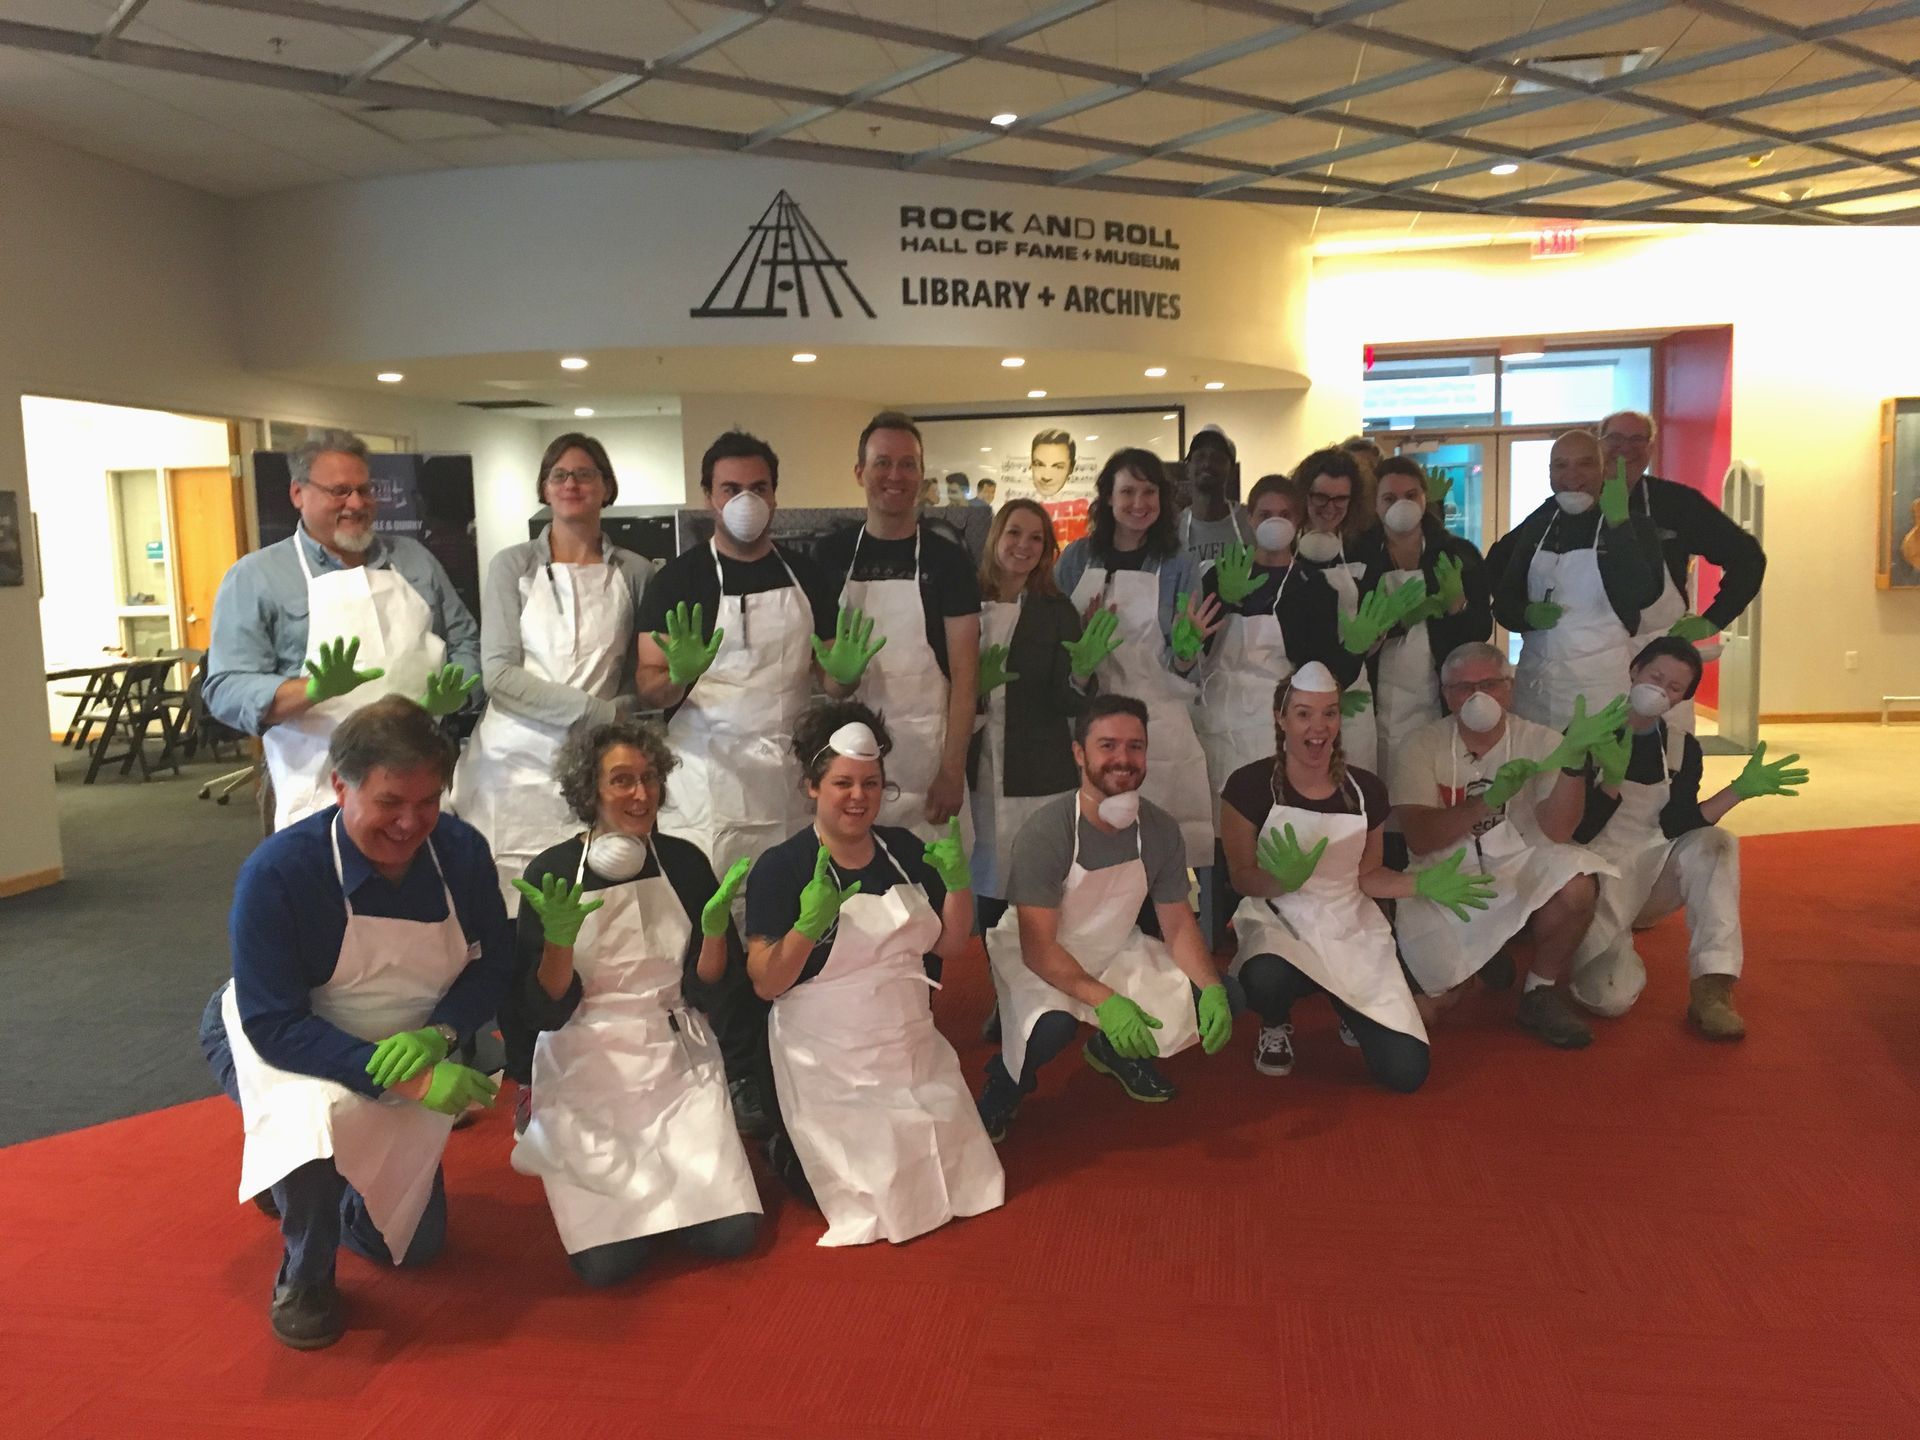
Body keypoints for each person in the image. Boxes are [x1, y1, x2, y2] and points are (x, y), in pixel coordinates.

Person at [195, 697, 511, 1350]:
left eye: (429, 802)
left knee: (416, 1249)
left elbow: (497, 962)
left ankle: (293, 1182)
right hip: (287, 1039)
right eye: (391, 801)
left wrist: (442, 1035)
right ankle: (304, 1274)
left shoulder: (460, 851)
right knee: (313, 1126)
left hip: (410, 1039)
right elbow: (273, 1025)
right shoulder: (280, 873)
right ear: (341, 785)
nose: (410, 822)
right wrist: (416, 1082)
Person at [632, 430, 849, 1139]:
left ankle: (790, 1062)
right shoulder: (678, 581)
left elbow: (830, 677)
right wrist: (681, 672)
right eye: (730, 489)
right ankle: (727, 1069)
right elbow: (649, 690)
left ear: (775, 495)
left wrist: (843, 673)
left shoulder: (809, 574)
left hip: (788, 780)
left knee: (787, 923)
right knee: (713, 930)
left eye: (757, 487)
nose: (745, 501)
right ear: (708, 498)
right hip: (706, 784)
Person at [502, 718, 762, 1287]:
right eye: (622, 781)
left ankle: (663, 1197)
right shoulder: (552, 873)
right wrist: (558, 943)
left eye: (649, 779)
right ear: (588, 790)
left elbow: (711, 992)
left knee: (734, 1237)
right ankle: (639, 1198)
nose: (641, 795)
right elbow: (543, 1013)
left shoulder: (685, 863)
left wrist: (714, 933)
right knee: (606, 1267)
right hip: (585, 1062)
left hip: (674, 1057)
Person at [744, 702, 1004, 1246]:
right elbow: (767, 983)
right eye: (842, 783)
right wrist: (807, 926)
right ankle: (784, 1145)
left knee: (967, 1178)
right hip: (826, 1056)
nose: (858, 796)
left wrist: (958, 887)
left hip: (909, 1042)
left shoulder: (905, 852)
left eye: (870, 783)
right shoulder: (782, 867)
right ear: (812, 787)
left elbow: (952, 945)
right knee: (873, 1195)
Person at [1220, 663, 1495, 1091]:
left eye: (1329, 713)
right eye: (1304, 713)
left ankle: (1349, 1006)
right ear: (1281, 718)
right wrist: (1280, 880)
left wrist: (1419, 885)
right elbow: (1240, 876)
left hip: (1350, 925)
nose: (1319, 727)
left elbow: (1368, 875)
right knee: (1264, 978)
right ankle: (1275, 1023)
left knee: (1407, 1073)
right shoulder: (1248, 786)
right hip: (1281, 920)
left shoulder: (1366, 789)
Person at [975, 695, 1236, 1140]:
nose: (1123, 759)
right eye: (1108, 745)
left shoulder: (1159, 829)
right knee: (1048, 1031)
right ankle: (1006, 1082)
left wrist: (1210, 987)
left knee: (1222, 994)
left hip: (1114, 946)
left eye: (1135, 746)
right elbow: (1038, 947)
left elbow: (1175, 923)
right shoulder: (1047, 831)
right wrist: (1106, 1000)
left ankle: (1114, 1051)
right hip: (1037, 953)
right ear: (1079, 754)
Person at [205, 429, 481, 832]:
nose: (356, 504)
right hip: (316, 792)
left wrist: (459, 691)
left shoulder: (414, 560)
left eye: (365, 490)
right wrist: (311, 691)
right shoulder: (257, 577)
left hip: (419, 786)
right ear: (298, 494)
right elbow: (225, 688)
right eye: (339, 492)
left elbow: (465, 641)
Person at [1568, 637, 1807, 1040]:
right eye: (1654, 676)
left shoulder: (1681, 747)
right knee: (1608, 1001)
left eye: (1674, 688)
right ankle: (1613, 947)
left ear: (1680, 700)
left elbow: (1677, 822)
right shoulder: (1588, 734)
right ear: (1634, 671)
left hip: (1655, 870)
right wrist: (1608, 781)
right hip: (1595, 876)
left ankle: (1712, 986)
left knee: (1718, 842)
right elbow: (1575, 831)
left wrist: (1737, 791)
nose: (1660, 689)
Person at [448, 433, 653, 903]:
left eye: (585, 474)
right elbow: (499, 675)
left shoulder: (636, 572)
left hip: (595, 764)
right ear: (544, 489)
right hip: (512, 765)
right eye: (559, 475)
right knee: (511, 903)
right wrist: (599, 714)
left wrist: (617, 715)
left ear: (607, 487)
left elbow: (635, 677)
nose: (571, 484)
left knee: (594, 899)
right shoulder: (511, 566)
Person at [1390, 642, 1623, 1049]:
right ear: (1445, 696)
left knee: (1577, 883)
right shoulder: (1419, 746)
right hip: (1445, 877)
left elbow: (1557, 832)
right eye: (1462, 688)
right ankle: (1480, 966)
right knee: (1430, 1010)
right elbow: (1421, 837)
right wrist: (1489, 799)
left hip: (1519, 866)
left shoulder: (1544, 741)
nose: (1477, 696)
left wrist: (1573, 763)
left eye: (1489, 684)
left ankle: (1539, 990)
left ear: (1509, 689)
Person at [1191, 473, 1357, 940]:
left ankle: (1275, 922)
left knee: (1271, 816)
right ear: (1249, 518)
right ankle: (1215, 922)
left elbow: (1324, 665)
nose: (1274, 523)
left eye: (1284, 515)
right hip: (1220, 717)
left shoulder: (1312, 587)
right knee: (1220, 821)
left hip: (1276, 721)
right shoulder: (1218, 577)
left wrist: (1355, 653)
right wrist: (1217, 603)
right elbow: (1193, 650)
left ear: (1298, 521)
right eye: (1265, 514)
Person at [814, 411, 981, 845]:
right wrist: (841, 676)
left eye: (908, 464)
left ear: (922, 474)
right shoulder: (830, 557)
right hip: (853, 770)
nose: (895, 474)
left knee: (938, 899)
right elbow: (829, 684)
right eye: (882, 462)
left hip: (929, 769)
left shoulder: (949, 560)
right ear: (859, 472)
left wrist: (952, 771)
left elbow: (966, 676)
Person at [1056, 448, 1219, 869]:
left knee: (1162, 846)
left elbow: (1188, 664)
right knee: (1094, 848)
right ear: (1107, 498)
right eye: (1127, 491)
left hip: (1160, 720)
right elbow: (1057, 640)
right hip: (1089, 714)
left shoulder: (1180, 565)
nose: (1139, 503)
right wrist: (1080, 661)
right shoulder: (1076, 558)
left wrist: (1185, 653)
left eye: (1149, 491)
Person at [969, 498, 1115, 931]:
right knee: (988, 883)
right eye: (1014, 532)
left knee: (1042, 887)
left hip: (1039, 772)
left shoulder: (1056, 612)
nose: (1023, 545)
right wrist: (974, 695)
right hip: (976, 770)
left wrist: (1083, 676)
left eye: (1036, 538)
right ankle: (997, 985)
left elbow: (1069, 704)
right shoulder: (965, 603)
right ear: (996, 536)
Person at [1485, 429, 1664, 730]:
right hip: (1536, 687)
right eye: (1560, 465)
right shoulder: (1538, 525)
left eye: (1584, 463)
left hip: (1600, 687)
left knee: (1594, 771)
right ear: (1550, 473)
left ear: (1604, 468)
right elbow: (1503, 597)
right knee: (1536, 772)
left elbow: (1643, 593)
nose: (1572, 475)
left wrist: (1619, 526)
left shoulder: (1636, 526)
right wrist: (1524, 614)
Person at [1599, 408, 1767, 725]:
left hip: (1660, 655)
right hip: (1588, 660)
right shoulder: (1574, 504)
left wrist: (1714, 619)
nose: (1626, 447)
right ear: (1599, 444)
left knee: (1662, 755)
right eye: (1615, 438)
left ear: (1650, 449)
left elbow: (1747, 557)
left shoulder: (1677, 504)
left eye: (1638, 439)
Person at [1353, 456, 1494, 778]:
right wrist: (1394, 622)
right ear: (1375, 505)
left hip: (1438, 703)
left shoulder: (1458, 553)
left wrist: (1457, 605)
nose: (1400, 505)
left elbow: (1481, 633)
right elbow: (1349, 635)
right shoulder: (1357, 555)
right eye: (1389, 498)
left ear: (1424, 498)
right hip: (1372, 704)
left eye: (1410, 495)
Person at [1293, 447, 1383, 772]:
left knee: (1354, 788)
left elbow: (1374, 636)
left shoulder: (1364, 549)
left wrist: (1373, 636)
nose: (1330, 508)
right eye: (1320, 497)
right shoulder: (1284, 549)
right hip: (1296, 693)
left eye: (1340, 500)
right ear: (1303, 495)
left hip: (1353, 691)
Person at [1178, 425, 1250, 572]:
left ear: (1231, 471)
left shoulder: (1251, 520)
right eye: (1200, 457)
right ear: (1187, 469)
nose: (1207, 464)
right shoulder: (1172, 528)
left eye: (1217, 458)